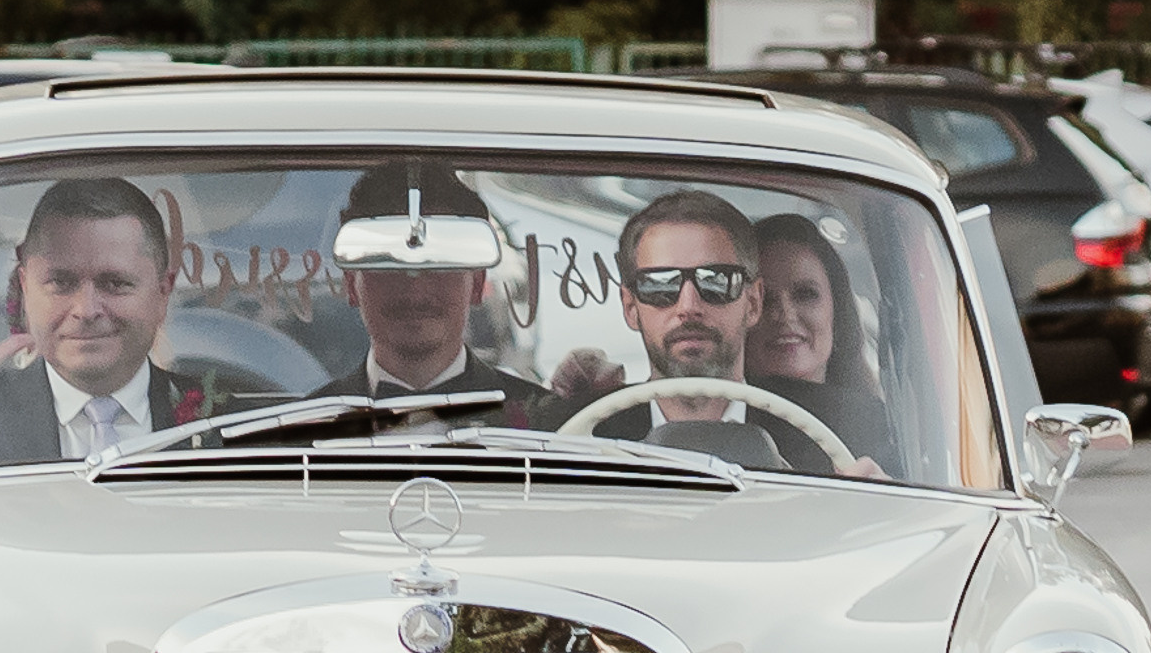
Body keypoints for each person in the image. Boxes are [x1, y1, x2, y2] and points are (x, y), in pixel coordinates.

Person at [0, 175, 186, 463]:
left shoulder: (212, 416)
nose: (86, 310)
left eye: (115, 283)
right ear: (25, 288)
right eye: (61, 283)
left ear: (163, 292)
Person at [582, 190, 833, 473]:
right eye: (660, 284)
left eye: (716, 281)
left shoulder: (829, 434)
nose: (688, 307)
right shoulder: (579, 437)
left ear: (753, 302)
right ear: (630, 307)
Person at [335, 157, 545, 419]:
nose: (414, 287)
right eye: (388, 262)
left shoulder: (545, 420)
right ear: (352, 284)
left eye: (439, 262)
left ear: (477, 284)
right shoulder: (303, 427)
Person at [748, 212, 896, 473]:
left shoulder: (883, 430)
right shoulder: (713, 421)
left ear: (836, 311)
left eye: (806, 294)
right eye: (765, 299)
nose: (785, 315)